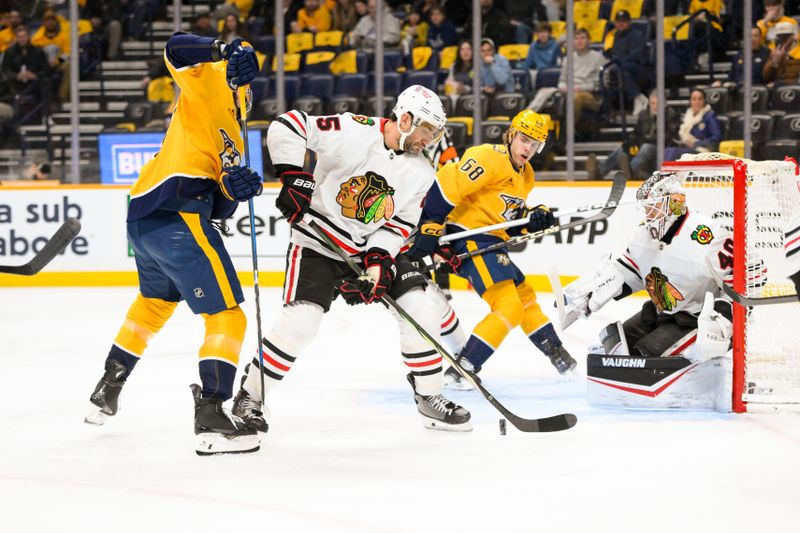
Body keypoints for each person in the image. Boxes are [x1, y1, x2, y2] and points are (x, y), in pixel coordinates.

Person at [231, 85, 473, 432]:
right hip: (317, 242)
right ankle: (250, 395)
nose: (428, 140)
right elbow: (288, 124)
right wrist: (292, 177)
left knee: (421, 308)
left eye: (434, 134)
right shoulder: (353, 130)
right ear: (405, 119)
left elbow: (399, 225)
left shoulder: (422, 172)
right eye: (425, 131)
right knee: (301, 323)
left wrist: (377, 263)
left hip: (366, 248)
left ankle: (429, 396)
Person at [84, 32, 263, 456]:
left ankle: (110, 384)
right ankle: (213, 413)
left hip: (145, 219)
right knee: (227, 317)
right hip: (177, 212)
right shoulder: (211, 80)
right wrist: (225, 48)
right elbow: (175, 47)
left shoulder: (235, 140)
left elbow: (221, 210)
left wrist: (237, 188)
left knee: (153, 304)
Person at [408, 110, 577, 390]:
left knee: (525, 298)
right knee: (508, 307)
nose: (528, 148)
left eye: (535, 144)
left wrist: (532, 219)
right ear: (511, 135)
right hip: (468, 238)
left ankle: (560, 358)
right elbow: (447, 184)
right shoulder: (488, 157)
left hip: (491, 242)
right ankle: (463, 369)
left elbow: (508, 222)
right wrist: (430, 228)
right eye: (524, 139)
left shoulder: (527, 176)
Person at [562, 172, 736, 362]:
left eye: (654, 207)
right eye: (646, 209)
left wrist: (723, 320)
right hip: (662, 313)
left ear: (674, 202)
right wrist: (591, 296)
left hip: (696, 319)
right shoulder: (642, 235)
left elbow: (750, 278)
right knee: (615, 347)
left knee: (645, 356)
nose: (648, 215)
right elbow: (631, 271)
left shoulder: (709, 236)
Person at [586, 89, 680, 180]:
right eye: (652, 103)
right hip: (642, 145)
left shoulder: (671, 115)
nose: (655, 107)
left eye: (658, 104)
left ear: (665, 104)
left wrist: (644, 140)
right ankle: (599, 170)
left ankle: (631, 170)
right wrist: (629, 142)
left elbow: (668, 137)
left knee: (646, 148)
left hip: (660, 149)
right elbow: (636, 133)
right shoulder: (644, 115)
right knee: (623, 149)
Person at [664, 89, 722, 161]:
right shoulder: (687, 115)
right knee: (666, 151)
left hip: (702, 150)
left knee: (672, 152)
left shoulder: (709, 116)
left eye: (700, 99)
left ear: (704, 101)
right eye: (694, 99)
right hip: (686, 148)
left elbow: (717, 137)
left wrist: (696, 143)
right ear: (690, 101)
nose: (697, 102)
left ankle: (665, 171)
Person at [605, 10, 646, 108]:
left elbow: (635, 55)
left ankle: (637, 97)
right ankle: (638, 97)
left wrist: (617, 62)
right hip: (619, 67)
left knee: (618, 68)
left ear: (629, 22)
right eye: (618, 21)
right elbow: (610, 53)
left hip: (637, 67)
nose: (620, 23)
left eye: (624, 21)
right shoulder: (612, 36)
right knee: (615, 69)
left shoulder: (637, 35)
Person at [763, 21, 800, 85]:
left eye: (786, 36)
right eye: (781, 37)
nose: (784, 39)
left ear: (793, 36)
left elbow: (794, 77)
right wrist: (774, 62)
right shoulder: (773, 52)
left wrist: (778, 83)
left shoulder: (798, 51)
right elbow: (766, 77)